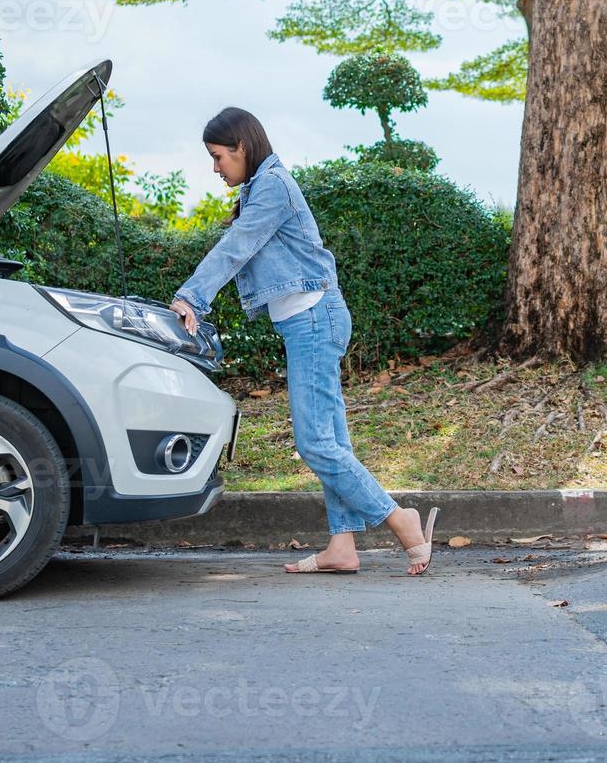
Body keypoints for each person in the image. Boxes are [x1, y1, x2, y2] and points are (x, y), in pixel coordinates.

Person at [169, 107, 440, 575]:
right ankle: (342, 546)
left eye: (218, 157)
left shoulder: (272, 186)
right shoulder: (262, 186)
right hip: (312, 319)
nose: (215, 168)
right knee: (332, 440)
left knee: (315, 443)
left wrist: (192, 295)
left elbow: (238, 247)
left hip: (314, 318)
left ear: (242, 147)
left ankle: (400, 519)